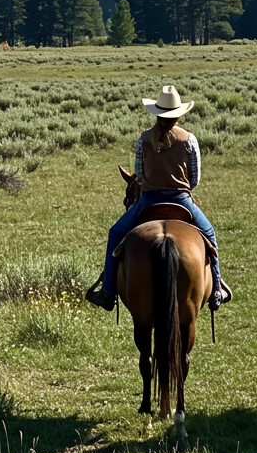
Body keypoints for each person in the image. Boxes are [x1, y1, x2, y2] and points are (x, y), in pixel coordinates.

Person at [85, 84, 232, 312]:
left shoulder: (144, 139)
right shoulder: (189, 139)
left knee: (115, 234)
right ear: (178, 115)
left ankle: (108, 292)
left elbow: (140, 175)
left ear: (156, 113)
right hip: (182, 202)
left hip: (148, 202)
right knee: (209, 233)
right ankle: (216, 291)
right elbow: (195, 179)